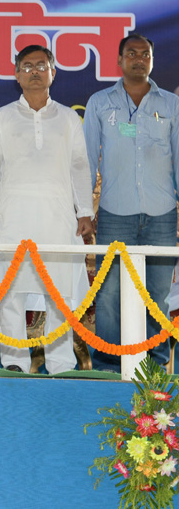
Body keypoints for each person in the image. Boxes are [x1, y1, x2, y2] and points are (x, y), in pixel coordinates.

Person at [0, 44, 94, 374]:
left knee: (58, 294)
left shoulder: (69, 118)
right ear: (16, 75)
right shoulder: (3, 117)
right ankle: (13, 362)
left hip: (58, 218)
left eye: (41, 65)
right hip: (12, 216)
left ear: (53, 73)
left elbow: (79, 166)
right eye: (27, 66)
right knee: (11, 293)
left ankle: (61, 363)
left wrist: (84, 211)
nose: (34, 71)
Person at [82, 34, 179, 372]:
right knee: (108, 296)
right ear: (119, 60)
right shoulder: (99, 102)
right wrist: (83, 209)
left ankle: (155, 366)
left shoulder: (171, 104)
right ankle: (108, 366)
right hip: (114, 215)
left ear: (152, 60)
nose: (139, 59)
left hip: (162, 215)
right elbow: (86, 161)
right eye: (132, 54)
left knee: (157, 297)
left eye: (146, 54)